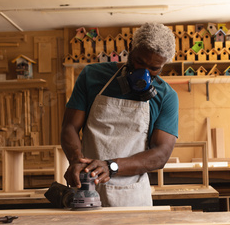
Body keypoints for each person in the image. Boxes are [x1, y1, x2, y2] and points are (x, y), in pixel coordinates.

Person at [61, 22, 178, 207]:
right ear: (131, 49)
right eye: (140, 62)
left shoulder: (166, 96)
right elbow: (69, 127)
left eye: (154, 68)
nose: (144, 73)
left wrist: (111, 167)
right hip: (88, 189)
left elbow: (161, 154)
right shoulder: (92, 76)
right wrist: (76, 160)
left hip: (133, 197)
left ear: (163, 65)